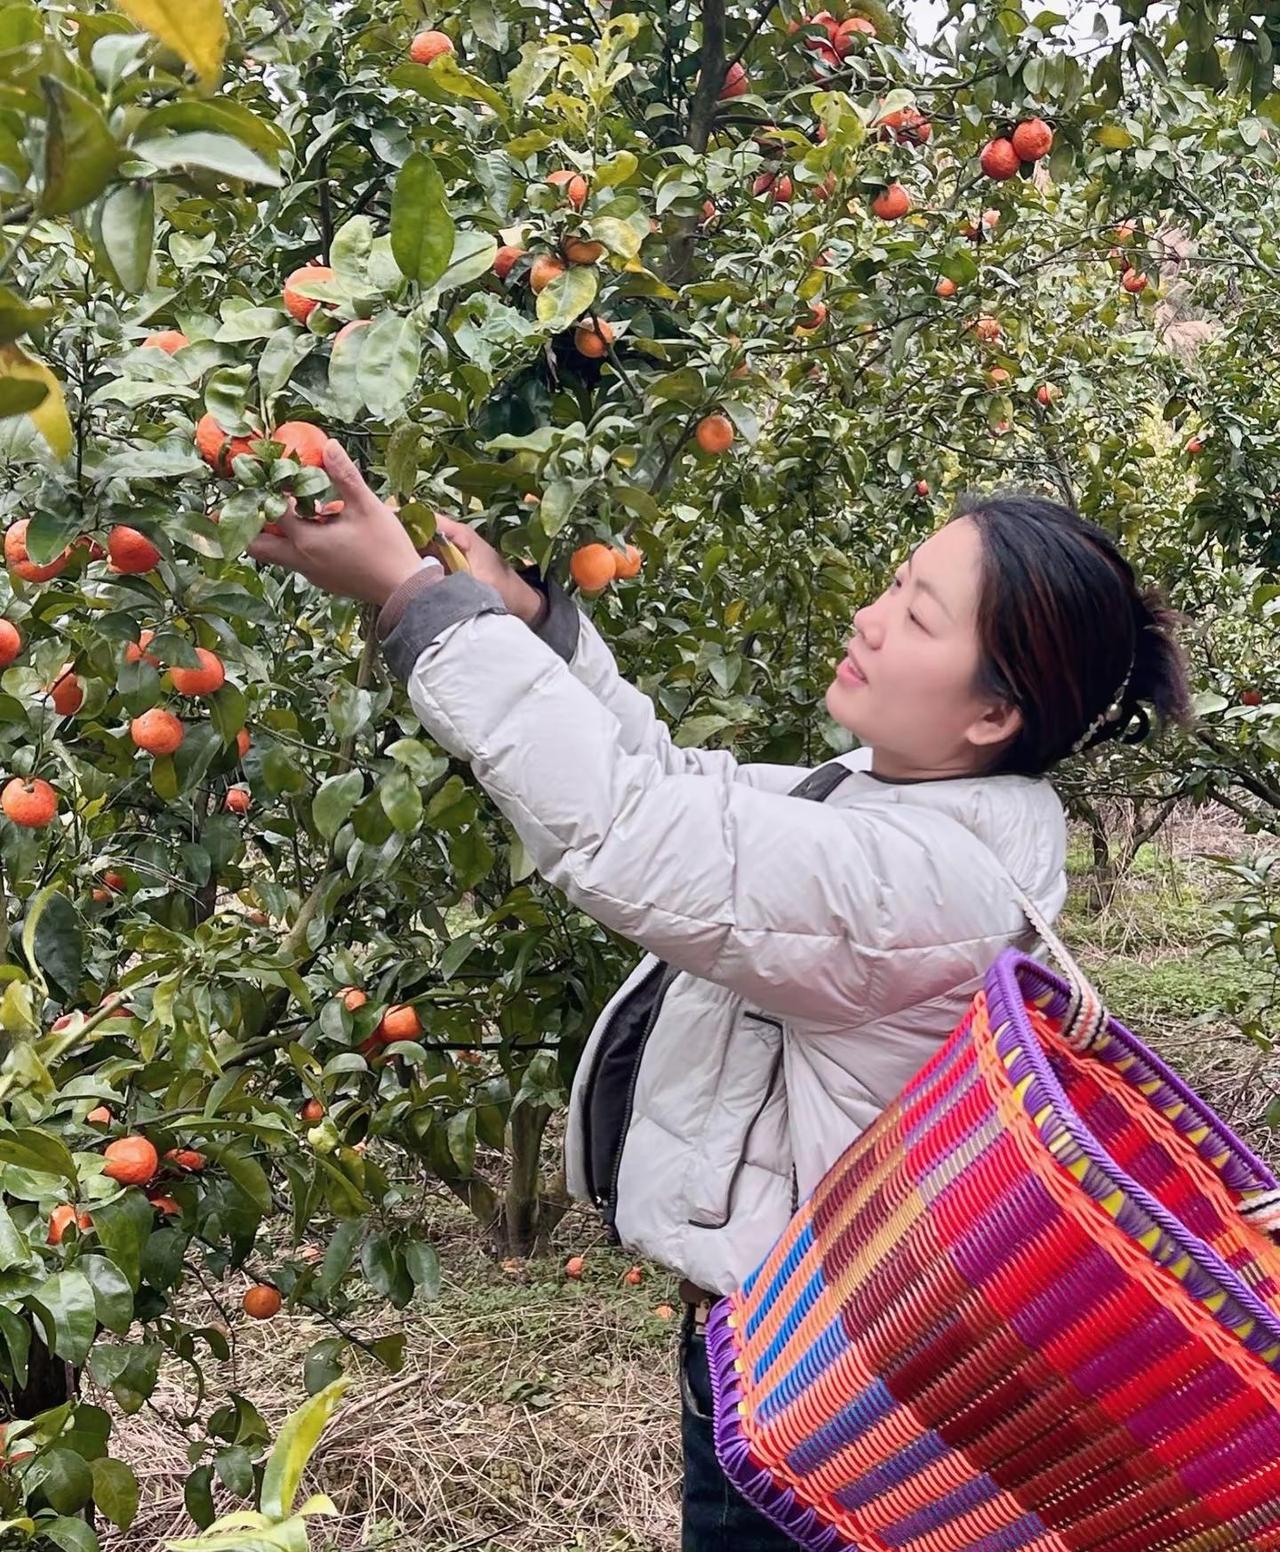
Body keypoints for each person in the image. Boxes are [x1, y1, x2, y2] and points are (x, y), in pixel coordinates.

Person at [249, 446, 1193, 1552]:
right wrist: (532, 621)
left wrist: (417, 603)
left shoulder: (920, 884)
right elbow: (669, 783)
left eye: (917, 616)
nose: (869, 618)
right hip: (793, 1353)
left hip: (825, 1396)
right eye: (894, 584)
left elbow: (628, 830)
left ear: (991, 714)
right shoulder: (886, 807)